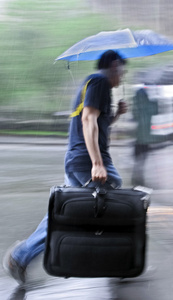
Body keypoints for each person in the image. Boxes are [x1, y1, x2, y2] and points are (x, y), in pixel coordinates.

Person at [3, 50, 128, 284]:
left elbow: (97, 123)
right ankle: (117, 258)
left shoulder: (95, 84)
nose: (123, 75)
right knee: (109, 201)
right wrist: (97, 163)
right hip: (85, 160)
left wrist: (116, 116)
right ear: (114, 65)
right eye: (122, 70)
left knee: (66, 213)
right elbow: (88, 120)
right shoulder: (99, 82)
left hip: (79, 158)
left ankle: (19, 257)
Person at [131, 85, 161, 186]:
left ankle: (137, 179)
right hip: (148, 138)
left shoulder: (137, 106)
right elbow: (156, 110)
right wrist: (156, 97)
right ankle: (141, 179)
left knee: (138, 160)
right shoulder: (150, 105)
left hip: (139, 138)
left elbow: (135, 117)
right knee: (143, 159)